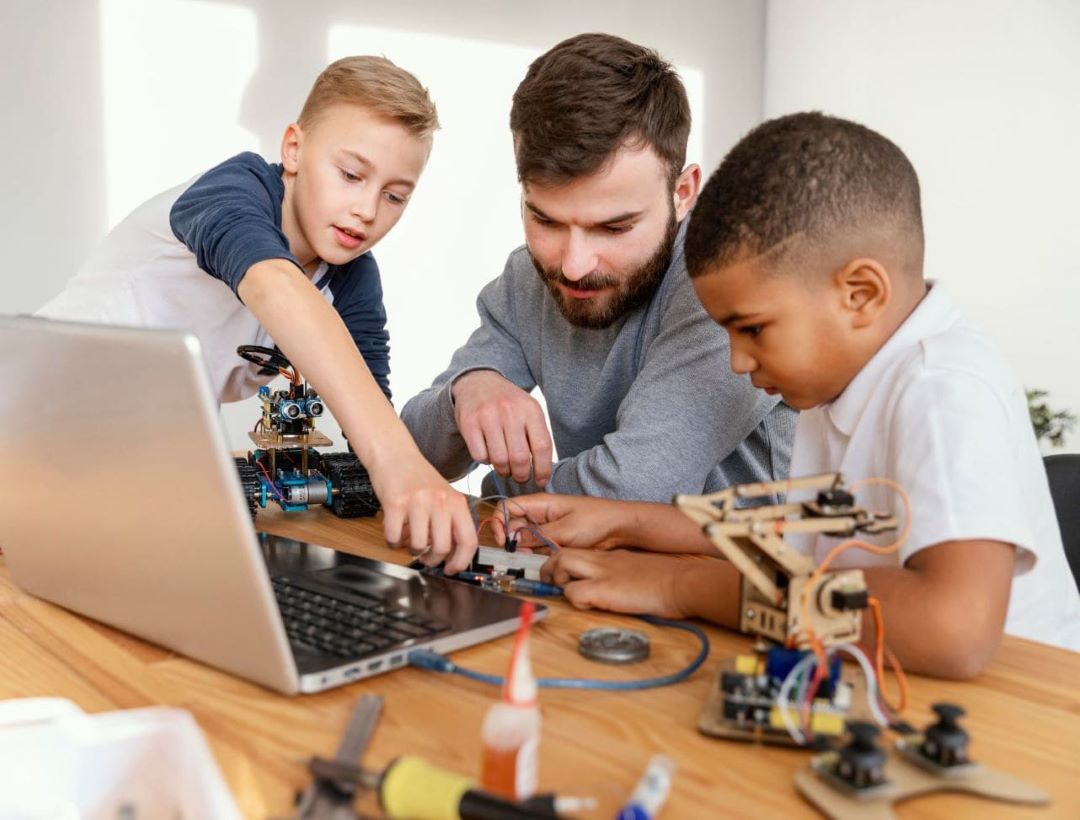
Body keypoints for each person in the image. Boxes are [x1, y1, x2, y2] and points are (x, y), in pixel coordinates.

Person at [500, 112, 1080, 678]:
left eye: (751, 329)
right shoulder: (852, 374)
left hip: (1019, 726)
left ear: (860, 293)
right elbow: (813, 532)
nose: (737, 360)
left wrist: (681, 586)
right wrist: (624, 521)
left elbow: (954, 629)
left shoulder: (942, 388)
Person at [37, 56, 477, 572]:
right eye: (352, 175)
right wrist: (397, 464)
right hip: (31, 419)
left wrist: (412, 480)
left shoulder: (350, 275)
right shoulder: (232, 192)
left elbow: (367, 411)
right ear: (294, 148)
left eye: (395, 195)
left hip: (124, 469)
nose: (368, 210)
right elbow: (273, 285)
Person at [400, 33, 795, 501]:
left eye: (614, 228)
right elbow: (411, 451)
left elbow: (635, 486)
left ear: (683, 193)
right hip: (586, 559)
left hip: (741, 569)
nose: (573, 265)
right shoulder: (528, 277)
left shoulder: (727, 286)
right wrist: (467, 392)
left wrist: (501, 494)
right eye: (546, 219)